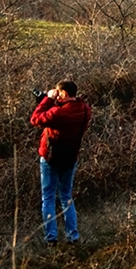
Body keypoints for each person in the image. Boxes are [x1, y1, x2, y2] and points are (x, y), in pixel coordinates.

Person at [30, 80, 92, 245]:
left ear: (63, 93)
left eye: (58, 92)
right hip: (70, 158)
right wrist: (54, 103)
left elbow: (35, 119)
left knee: (48, 198)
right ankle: (73, 236)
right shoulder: (85, 110)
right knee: (66, 197)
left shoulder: (59, 113)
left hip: (51, 159)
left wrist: (48, 100)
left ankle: (51, 238)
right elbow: (66, 114)